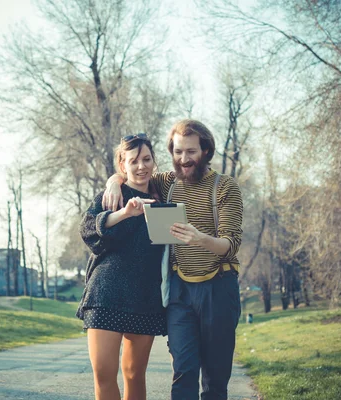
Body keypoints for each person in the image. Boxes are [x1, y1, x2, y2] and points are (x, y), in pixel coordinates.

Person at [102, 119, 243, 400]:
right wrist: (113, 182)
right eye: (178, 152)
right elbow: (135, 173)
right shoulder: (167, 182)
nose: (183, 159)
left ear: (206, 151)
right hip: (180, 291)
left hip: (218, 286)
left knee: (215, 377)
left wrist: (199, 238)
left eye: (190, 152)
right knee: (183, 369)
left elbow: (231, 244)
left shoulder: (225, 187)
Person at [76, 133, 167, 400]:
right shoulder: (111, 196)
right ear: (122, 164)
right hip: (106, 294)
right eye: (134, 160)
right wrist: (124, 211)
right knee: (104, 373)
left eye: (147, 159)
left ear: (154, 161)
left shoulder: (163, 196)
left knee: (134, 374)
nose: (142, 166)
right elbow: (87, 229)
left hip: (145, 296)